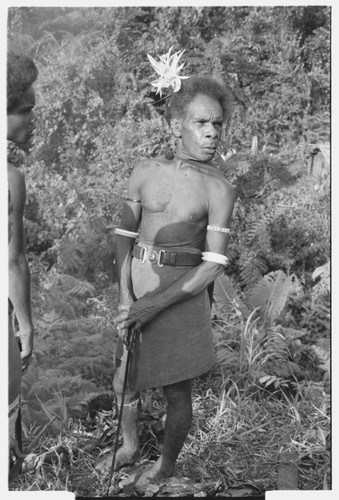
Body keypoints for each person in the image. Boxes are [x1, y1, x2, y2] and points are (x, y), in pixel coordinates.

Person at [107, 73, 236, 487]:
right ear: (173, 124)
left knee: (177, 393)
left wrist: (154, 305)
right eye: (201, 123)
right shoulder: (144, 170)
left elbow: (213, 265)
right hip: (138, 282)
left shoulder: (219, 189)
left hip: (181, 295)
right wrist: (126, 296)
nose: (212, 132)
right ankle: (127, 446)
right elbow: (124, 238)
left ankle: (164, 467)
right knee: (123, 378)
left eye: (217, 123)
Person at [7, 51, 38, 472]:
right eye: (26, 111)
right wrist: (26, 325)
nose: (34, 119)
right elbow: (12, 262)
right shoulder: (9, 178)